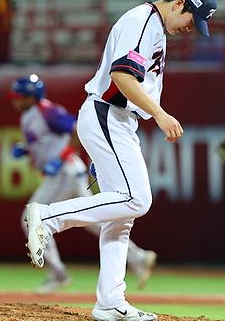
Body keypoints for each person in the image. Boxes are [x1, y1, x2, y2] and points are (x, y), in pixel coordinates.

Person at [24, 0, 217, 321]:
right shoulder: (143, 21)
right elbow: (122, 76)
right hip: (106, 114)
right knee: (137, 199)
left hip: (118, 121)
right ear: (179, 4)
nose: (191, 28)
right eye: (192, 19)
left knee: (121, 215)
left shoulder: (154, 25)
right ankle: (48, 217)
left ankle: (110, 300)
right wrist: (159, 114)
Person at [10, 74, 158, 294]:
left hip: (64, 171)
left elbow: (74, 127)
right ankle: (138, 256)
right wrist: (27, 148)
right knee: (93, 217)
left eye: (20, 96)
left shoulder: (46, 110)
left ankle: (58, 274)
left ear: (31, 97)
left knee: (30, 217)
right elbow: (46, 140)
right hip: (67, 172)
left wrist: (62, 156)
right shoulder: (31, 115)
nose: (15, 99)